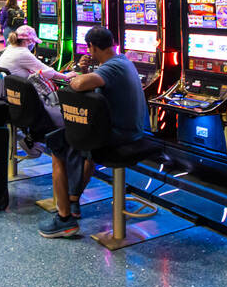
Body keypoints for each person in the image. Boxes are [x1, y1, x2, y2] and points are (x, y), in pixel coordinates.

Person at [39, 26, 148, 239]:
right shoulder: (123, 60)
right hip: (128, 130)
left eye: (89, 48)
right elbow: (98, 88)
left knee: (56, 144)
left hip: (120, 135)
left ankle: (64, 220)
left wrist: (77, 76)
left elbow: (79, 84)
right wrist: (88, 71)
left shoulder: (112, 67)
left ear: (92, 47)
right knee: (81, 146)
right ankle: (72, 200)